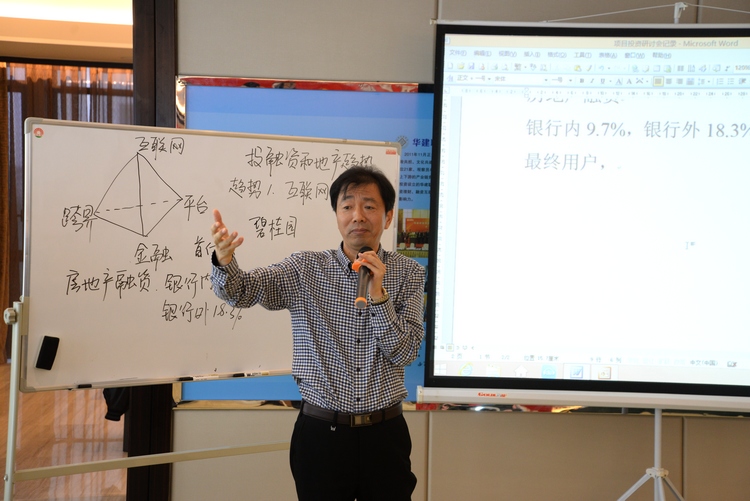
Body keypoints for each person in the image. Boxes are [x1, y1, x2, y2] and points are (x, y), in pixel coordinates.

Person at [210, 165, 425, 500]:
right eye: (347, 206)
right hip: (322, 435)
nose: (358, 215)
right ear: (337, 215)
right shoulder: (305, 268)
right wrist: (224, 261)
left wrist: (379, 295)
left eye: (369, 206)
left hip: (385, 436)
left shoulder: (409, 273)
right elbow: (243, 291)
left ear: (387, 217)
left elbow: (405, 352)